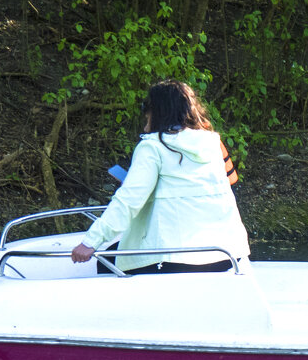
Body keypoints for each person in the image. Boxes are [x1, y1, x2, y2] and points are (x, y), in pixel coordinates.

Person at [71, 79, 250, 274]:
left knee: (104, 261)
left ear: (156, 111)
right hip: (226, 254)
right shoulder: (213, 142)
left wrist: (91, 242)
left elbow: (129, 200)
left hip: (173, 257)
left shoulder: (153, 146)